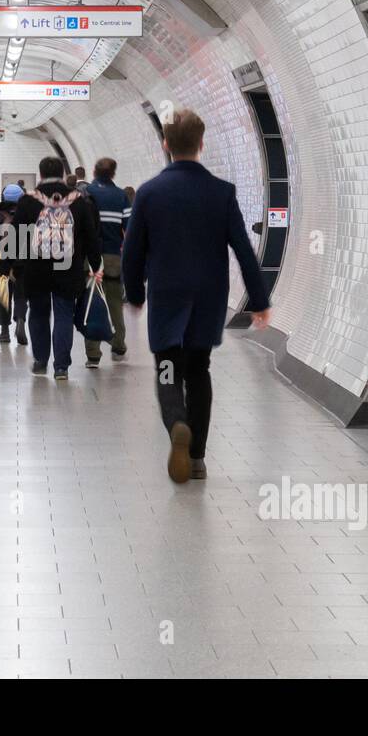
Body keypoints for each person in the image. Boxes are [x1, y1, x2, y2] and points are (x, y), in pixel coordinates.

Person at [122, 108, 271, 484]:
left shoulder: (149, 193)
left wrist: (135, 292)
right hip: (207, 298)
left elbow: (133, 251)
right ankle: (199, 457)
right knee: (199, 371)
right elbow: (243, 249)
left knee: (168, 368)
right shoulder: (222, 193)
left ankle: (176, 425)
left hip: (168, 296)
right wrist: (259, 300)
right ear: (202, 145)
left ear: (166, 145)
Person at [13, 156, 102, 380]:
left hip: (36, 268)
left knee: (39, 313)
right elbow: (91, 236)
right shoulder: (78, 200)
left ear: (40, 174)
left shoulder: (27, 201)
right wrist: (95, 264)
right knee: (64, 314)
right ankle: (61, 367)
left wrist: (11, 266)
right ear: (63, 174)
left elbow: (15, 237)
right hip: (68, 267)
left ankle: (41, 360)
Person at [84, 158, 130, 367]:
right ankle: (118, 344)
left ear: (94, 171)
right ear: (113, 174)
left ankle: (93, 354)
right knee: (115, 304)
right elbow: (129, 229)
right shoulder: (121, 196)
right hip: (113, 257)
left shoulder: (86, 194)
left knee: (93, 304)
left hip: (89, 259)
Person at [0, 183, 27, 345]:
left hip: (2, 264)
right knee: (21, 295)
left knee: (4, 297)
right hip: (23, 262)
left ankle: (4, 332)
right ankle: (20, 320)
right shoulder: (27, 215)